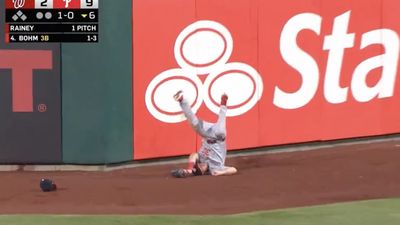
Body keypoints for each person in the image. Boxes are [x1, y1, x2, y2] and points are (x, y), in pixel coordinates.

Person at [170, 90, 238, 178]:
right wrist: (221, 173)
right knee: (221, 129)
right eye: (200, 168)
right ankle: (223, 103)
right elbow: (234, 169)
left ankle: (182, 100)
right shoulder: (215, 168)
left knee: (193, 122)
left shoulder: (201, 158)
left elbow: (193, 155)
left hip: (206, 133)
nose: (201, 166)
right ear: (203, 172)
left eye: (198, 166)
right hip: (219, 138)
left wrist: (190, 169)